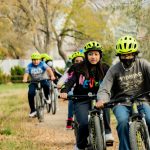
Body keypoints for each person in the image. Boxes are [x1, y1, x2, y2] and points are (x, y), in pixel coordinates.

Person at [96, 35, 150, 150]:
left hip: (142, 100)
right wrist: (102, 99)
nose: (127, 57)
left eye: (130, 54)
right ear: (119, 56)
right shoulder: (114, 69)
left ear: (135, 54)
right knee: (122, 122)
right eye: (124, 55)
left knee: (149, 119)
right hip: (121, 102)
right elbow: (105, 87)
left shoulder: (143, 64)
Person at [60, 41, 114, 150]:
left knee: (105, 104)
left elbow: (113, 82)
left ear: (100, 55)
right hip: (81, 98)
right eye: (90, 54)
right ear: (86, 55)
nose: (93, 57)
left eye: (96, 54)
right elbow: (69, 81)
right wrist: (64, 90)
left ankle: (107, 132)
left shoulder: (105, 68)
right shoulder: (77, 67)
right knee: (84, 123)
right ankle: (80, 146)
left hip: (100, 96)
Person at [23, 52, 55, 117]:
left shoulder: (43, 64)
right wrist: (25, 79)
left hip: (43, 80)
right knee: (30, 93)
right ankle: (33, 110)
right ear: (32, 60)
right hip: (33, 82)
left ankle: (47, 97)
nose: (36, 61)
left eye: (37, 59)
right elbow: (26, 73)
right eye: (34, 60)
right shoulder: (29, 66)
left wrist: (52, 76)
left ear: (40, 60)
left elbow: (49, 70)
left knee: (46, 85)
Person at [59, 51, 85, 129]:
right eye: (76, 61)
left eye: (81, 61)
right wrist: (60, 84)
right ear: (73, 62)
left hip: (83, 90)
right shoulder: (69, 70)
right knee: (71, 96)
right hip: (71, 89)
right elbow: (63, 79)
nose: (79, 62)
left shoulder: (86, 69)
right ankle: (70, 118)